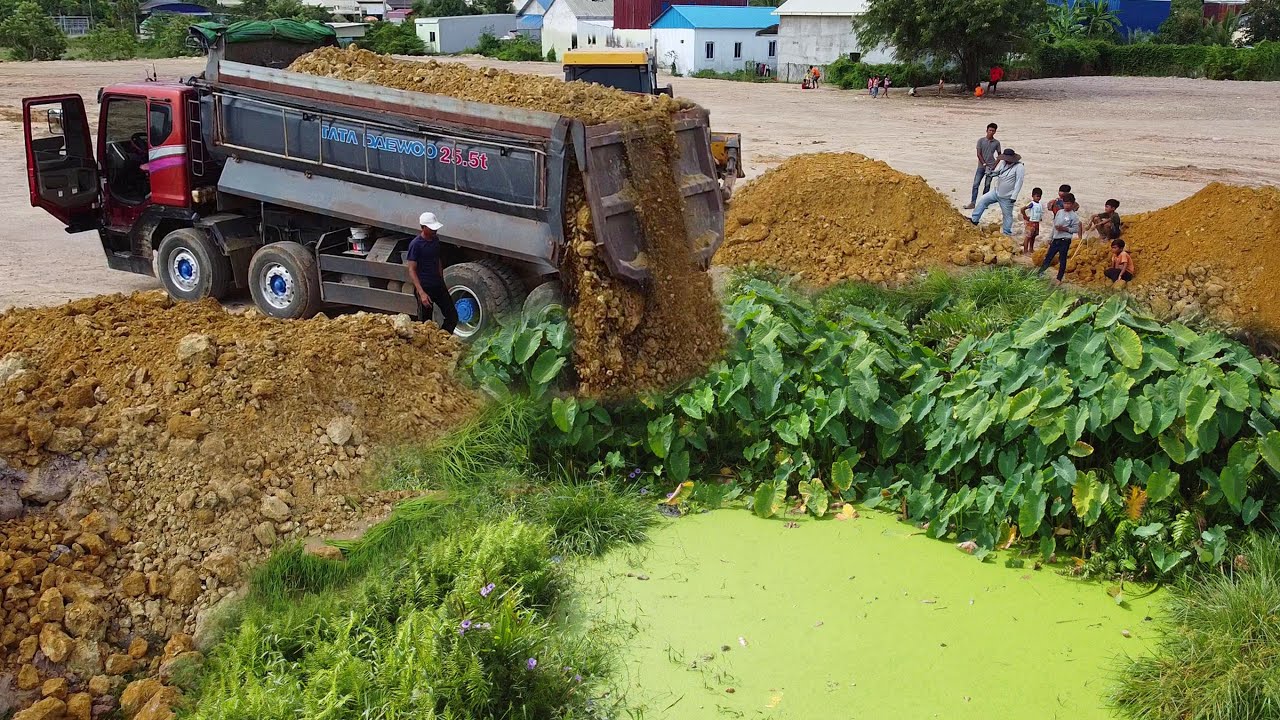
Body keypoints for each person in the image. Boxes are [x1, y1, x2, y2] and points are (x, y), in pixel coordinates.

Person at [406, 211, 459, 334]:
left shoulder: (435, 240)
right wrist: (422, 293)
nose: (435, 231)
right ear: (423, 227)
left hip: (438, 285)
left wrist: (442, 280)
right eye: (431, 228)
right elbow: (412, 269)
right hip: (425, 287)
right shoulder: (416, 245)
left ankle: (442, 338)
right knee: (425, 325)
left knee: (452, 316)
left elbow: (437, 259)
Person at [969, 147, 1025, 237]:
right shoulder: (1004, 163)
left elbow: (1019, 182)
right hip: (996, 192)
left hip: (1007, 196)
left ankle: (1006, 233)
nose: (1005, 161)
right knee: (983, 200)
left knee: (1007, 215)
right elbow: (998, 172)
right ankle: (974, 220)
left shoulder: (1019, 167)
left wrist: (1014, 196)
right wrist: (991, 173)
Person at [1038, 192, 1081, 285]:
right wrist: (1050, 237)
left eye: (1069, 203)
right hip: (1056, 239)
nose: (1066, 205)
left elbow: (1076, 229)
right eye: (1065, 203)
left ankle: (1059, 278)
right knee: (1048, 257)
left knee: (1062, 259)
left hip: (1065, 240)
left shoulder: (1074, 216)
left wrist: (1064, 229)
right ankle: (1040, 273)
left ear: (1073, 204)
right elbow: (1054, 226)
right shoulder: (1059, 212)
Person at [963, 123, 1001, 210]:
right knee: (976, 184)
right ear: (986, 130)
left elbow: (1000, 155)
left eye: (993, 131)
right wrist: (984, 164)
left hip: (991, 167)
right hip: (981, 166)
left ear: (995, 132)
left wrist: (994, 165)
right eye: (990, 130)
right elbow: (978, 154)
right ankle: (973, 203)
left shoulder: (996, 143)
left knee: (987, 185)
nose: (991, 132)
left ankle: (983, 203)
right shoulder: (981, 141)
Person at [1021, 187, 1044, 255]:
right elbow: (1022, 209)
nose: (1038, 198)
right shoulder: (1031, 204)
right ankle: (1025, 250)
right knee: (1028, 237)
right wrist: (1025, 216)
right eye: (1037, 196)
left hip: (1036, 222)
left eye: (1039, 196)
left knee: (1033, 236)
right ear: (1033, 196)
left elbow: (1039, 212)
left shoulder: (1039, 204)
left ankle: (1031, 249)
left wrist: (1040, 218)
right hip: (1031, 222)